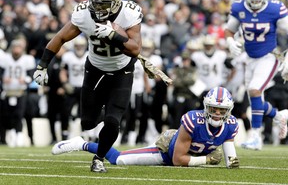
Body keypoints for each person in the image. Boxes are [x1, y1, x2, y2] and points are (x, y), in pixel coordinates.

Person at [33, 0, 143, 173]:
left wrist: (114, 35)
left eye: (103, 3)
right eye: (95, 2)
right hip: (95, 69)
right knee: (88, 122)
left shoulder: (129, 13)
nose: (97, 7)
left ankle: (99, 158)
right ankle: (93, 129)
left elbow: (135, 49)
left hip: (122, 71)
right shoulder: (84, 14)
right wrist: (42, 66)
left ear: (116, 2)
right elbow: (60, 37)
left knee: (112, 121)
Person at [51, 87, 240, 169]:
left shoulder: (231, 125)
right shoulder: (193, 120)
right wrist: (206, 160)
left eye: (221, 110)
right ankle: (82, 144)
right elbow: (176, 160)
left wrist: (231, 161)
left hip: (189, 153)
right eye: (213, 109)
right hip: (167, 152)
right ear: (206, 107)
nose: (216, 113)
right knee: (118, 160)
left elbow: (231, 162)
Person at [225, 0, 288, 150]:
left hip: (269, 56)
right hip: (249, 58)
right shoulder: (239, 8)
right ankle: (278, 116)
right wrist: (230, 42)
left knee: (254, 90)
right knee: (255, 99)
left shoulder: (275, 8)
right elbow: (229, 30)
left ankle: (256, 136)